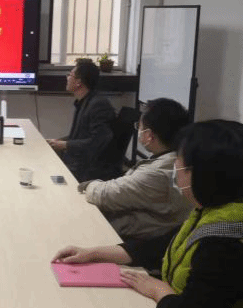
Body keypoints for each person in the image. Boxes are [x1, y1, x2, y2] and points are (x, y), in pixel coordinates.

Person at [53, 120, 243, 308]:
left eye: (180, 161)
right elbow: (161, 246)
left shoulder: (225, 241)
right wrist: (94, 253)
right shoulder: (213, 211)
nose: (175, 166)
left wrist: (157, 290)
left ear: (203, 173)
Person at [77, 98, 192, 240]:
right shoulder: (180, 158)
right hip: (153, 233)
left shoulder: (156, 173)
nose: (139, 131)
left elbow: (104, 195)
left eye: (139, 127)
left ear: (149, 135)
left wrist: (89, 185)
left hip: (131, 239)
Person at [47, 60, 116, 182]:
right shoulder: (84, 102)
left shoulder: (98, 105)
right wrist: (58, 141)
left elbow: (97, 142)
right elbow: (80, 136)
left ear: (79, 82)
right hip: (78, 162)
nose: (67, 78)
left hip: (87, 169)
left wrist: (65, 145)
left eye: (70, 75)